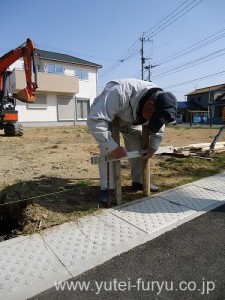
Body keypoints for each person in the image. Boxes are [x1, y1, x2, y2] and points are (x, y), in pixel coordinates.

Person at [87, 78, 177, 204]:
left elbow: (158, 127)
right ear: (150, 104)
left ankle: (139, 181)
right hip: (108, 116)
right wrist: (113, 147)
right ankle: (107, 187)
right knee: (107, 150)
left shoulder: (161, 103)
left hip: (132, 118)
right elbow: (95, 120)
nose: (154, 121)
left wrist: (153, 147)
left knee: (139, 146)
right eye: (153, 118)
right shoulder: (119, 92)